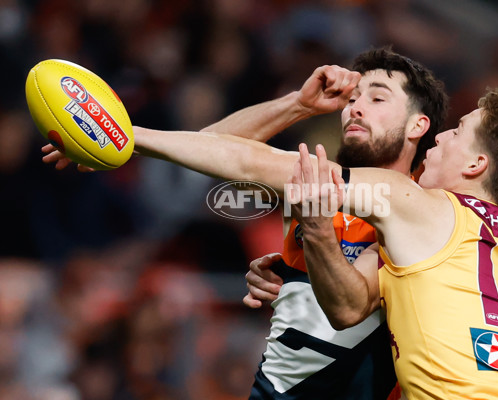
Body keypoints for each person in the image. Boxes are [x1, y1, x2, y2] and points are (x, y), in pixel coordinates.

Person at [42, 47, 449, 399]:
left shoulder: (415, 207)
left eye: (377, 99)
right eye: (354, 98)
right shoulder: (315, 188)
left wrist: (119, 135)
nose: (355, 107)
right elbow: (212, 149)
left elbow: (349, 308)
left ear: (418, 125)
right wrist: (299, 104)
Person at [285, 87, 498, 399]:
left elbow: (261, 168)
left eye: (458, 130)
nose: (441, 136)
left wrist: (292, 106)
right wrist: (299, 269)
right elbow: (348, 306)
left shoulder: (426, 206)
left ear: (475, 165)